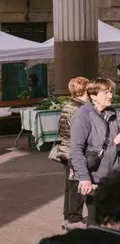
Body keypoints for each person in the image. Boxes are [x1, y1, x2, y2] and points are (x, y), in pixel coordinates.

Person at [70, 78, 120, 226]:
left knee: (115, 221)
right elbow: (76, 149)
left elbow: (108, 143)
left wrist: (117, 141)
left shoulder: (111, 112)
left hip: (114, 175)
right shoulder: (83, 115)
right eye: (106, 92)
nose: (110, 96)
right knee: (96, 222)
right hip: (94, 177)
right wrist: (84, 177)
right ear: (93, 96)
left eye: (111, 92)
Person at [51, 77, 90, 229]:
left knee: (70, 185)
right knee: (76, 184)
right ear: (85, 89)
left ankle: (68, 217)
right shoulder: (79, 108)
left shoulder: (69, 105)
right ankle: (74, 218)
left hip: (66, 150)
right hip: (73, 152)